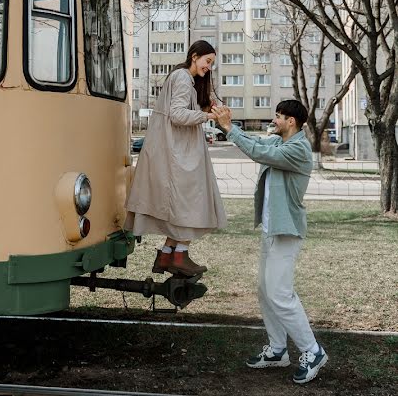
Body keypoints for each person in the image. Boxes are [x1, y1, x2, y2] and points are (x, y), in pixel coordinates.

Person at [213, 100, 328, 385]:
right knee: (266, 290)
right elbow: (260, 144)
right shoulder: (280, 142)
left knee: (280, 293)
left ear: (292, 122)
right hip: (271, 228)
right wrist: (230, 124)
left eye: (278, 116)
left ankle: (313, 351)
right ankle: (278, 349)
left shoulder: (298, 149)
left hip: (286, 231)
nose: (274, 120)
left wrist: (229, 129)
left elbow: (258, 152)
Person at [125, 40, 226, 277]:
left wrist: (204, 108)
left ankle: (168, 254)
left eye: (212, 64)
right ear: (194, 56)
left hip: (175, 149)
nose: (209, 67)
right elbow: (178, 114)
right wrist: (208, 116)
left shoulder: (185, 80)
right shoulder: (182, 77)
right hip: (176, 152)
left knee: (185, 205)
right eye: (207, 61)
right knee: (191, 203)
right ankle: (178, 255)